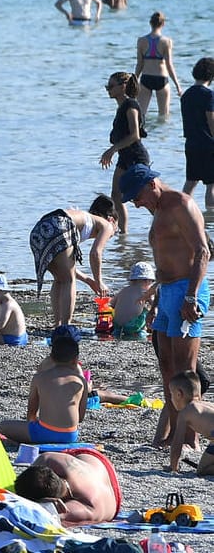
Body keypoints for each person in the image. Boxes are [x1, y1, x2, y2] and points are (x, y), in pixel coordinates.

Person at [120, 165, 209, 451]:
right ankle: (175, 435)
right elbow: (163, 259)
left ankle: (191, 437)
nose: (136, 203)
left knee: (186, 370)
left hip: (187, 290)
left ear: (152, 184)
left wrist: (191, 296)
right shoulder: (157, 209)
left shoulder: (182, 204)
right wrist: (156, 300)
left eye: (137, 196)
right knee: (167, 369)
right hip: (167, 291)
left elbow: (203, 251)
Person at [28, 198, 116, 327]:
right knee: (68, 281)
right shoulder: (107, 224)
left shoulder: (83, 219)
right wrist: (99, 281)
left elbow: (67, 266)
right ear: (112, 220)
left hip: (40, 229)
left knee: (59, 278)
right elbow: (95, 253)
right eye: (116, 230)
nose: (112, 234)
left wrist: (88, 280)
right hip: (59, 225)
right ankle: (66, 325)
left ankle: (58, 325)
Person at [0, 331, 86, 446]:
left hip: (44, 433)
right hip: (70, 435)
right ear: (76, 359)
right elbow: (80, 417)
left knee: (3, 426)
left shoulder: (39, 378)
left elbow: (31, 413)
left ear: (51, 358)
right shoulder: (80, 381)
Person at [14, 447, 123, 526]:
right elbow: (44, 458)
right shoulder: (48, 460)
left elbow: (46, 515)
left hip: (110, 498)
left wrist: (42, 505)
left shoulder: (86, 508)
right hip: (95, 461)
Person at [101, 71, 148, 233]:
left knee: (144, 197)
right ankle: (123, 234)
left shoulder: (131, 106)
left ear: (123, 86)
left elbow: (135, 135)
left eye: (111, 86)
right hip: (124, 158)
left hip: (136, 157)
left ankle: (165, 223)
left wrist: (112, 149)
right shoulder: (121, 107)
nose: (108, 89)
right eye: (107, 86)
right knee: (116, 196)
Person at [135, 11, 182, 121]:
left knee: (141, 115)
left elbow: (139, 64)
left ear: (150, 23)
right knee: (163, 116)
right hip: (161, 78)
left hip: (146, 78)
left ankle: (142, 135)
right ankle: (160, 137)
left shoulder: (141, 41)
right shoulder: (167, 42)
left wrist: (134, 79)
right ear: (163, 24)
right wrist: (177, 85)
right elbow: (169, 65)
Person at [166, 371, 214, 473]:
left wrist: (173, 467)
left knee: (202, 470)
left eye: (171, 394)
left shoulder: (185, 413)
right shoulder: (206, 405)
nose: (171, 398)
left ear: (178, 394)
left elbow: (177, 443)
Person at [183, 57, 214, 209]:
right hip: (208, 144)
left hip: (191, 143)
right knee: (211, 184)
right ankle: (211, 217)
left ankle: (181, 212)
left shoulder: (186, 95)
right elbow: (211, 121)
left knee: (190, 183)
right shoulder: (208, 95)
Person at [112, 262, 157, 341]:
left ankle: (117, 332)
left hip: (117, 324)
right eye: (151, 282)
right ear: (147, 281)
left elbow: (112, 304)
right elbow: (155, 305)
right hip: (134, 325)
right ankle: (142, 332)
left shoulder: (123, 290)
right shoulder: (145, 293)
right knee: (147, 311)